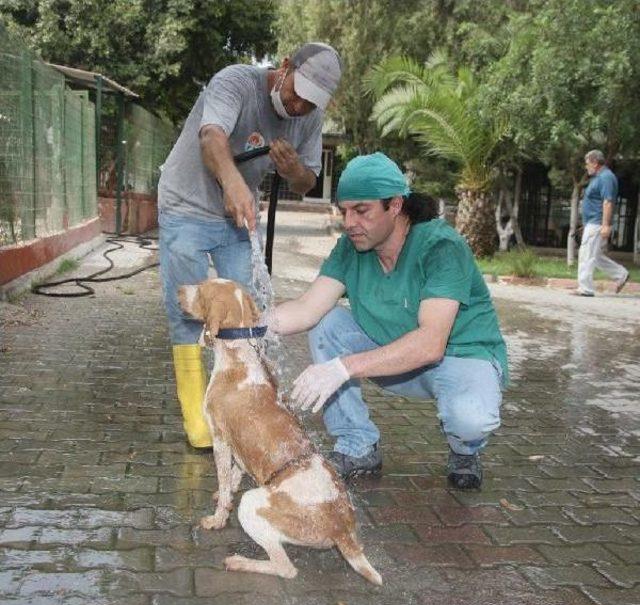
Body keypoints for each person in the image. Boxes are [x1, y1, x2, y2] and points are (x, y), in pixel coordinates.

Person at [269, 152, 508, 490]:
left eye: (361, 210)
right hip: (395, 359)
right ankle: (357, 446)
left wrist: (341, 368)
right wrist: (249, 322)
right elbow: (307, 308)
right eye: (345, 211)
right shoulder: (352, 248)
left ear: (395, 206)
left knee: (469, 420)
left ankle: (464, 449)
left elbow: (430, 344)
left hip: (460, 358)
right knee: (328, 323)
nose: (349, 222)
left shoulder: (441, 247)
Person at [158, 43, 342, 447]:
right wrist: (234, 181)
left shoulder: (308, 118)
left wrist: (294, 170)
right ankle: (198, 421)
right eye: (297, 93)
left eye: (311, 103)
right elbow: (211, 137)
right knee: (189, 310)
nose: (299, 107)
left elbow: (306, 182)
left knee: (246, 311)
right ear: (284, 67)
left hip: (237, 217)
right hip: (186, 204)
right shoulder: (236, 82)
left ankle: (241, 406)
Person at [575, 150, 629, 297]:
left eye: (587, 164)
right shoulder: (599, 177)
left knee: (586, 254)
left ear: (595, 162)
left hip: (597, 222)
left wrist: (605, 225)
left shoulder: (606, 177)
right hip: (593, 222)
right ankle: (621, 274)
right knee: (596, 256)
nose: (586, 167)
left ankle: (585, 288)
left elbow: (608, 202)